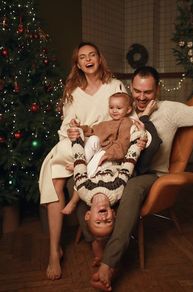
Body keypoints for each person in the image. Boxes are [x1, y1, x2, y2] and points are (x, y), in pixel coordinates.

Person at [74, 56, 193, 291]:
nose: (141, 97)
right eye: (137, 91)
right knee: (77, 185)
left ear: (157, 90)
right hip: (118, 172)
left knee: (131, 188)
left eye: (147, 92)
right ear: (132, 89)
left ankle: (109, 263)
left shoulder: (170, 110)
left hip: (150, 174)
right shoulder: (124, 111)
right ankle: (95, 242)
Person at [39, 41, 128, 281]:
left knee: (72, 169)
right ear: (77, 64)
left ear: (99, 58)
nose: (88, 60)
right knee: (54, 179)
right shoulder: (73, 91)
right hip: (76, 143)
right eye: (82, 57)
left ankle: (98, 248)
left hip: (102, 145)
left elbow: (127, 116)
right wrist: (71, 132)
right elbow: (67, 125)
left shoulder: (114, 85)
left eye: (92, 55)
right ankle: (54, 252)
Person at [62, 92, 162, 215]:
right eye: (111, 107)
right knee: (93, 139)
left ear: (128, 109)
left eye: (119, 108)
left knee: (98, 156)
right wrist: (80, 128)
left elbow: (124, 144)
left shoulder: (128, 123)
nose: (114, 111)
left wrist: (108, 154)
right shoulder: (106, 123)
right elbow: (92, 130)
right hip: (100, 151)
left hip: (113, 156)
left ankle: (79, 178)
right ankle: (82, 162)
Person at [67, 119, 146, 264]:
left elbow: (79, 161)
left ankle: (78, 131)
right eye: (108, 221)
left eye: (98, 222)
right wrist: (138, 141)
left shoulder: (84, 190)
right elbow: (129, 163)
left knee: (89, 148)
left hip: (94, 160)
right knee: (132, 135)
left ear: (88, 215)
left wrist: (76, 139)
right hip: (115, 158)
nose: (103, 218)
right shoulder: (118, 190)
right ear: (113, 213)